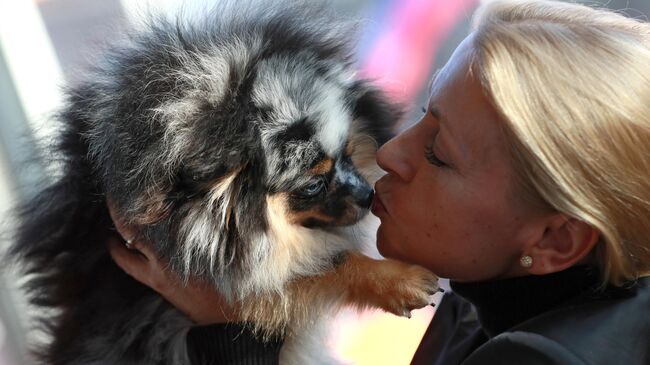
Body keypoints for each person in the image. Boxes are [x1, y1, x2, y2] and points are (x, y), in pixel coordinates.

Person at [108, 0, 650, 363]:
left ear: (556, 240)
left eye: (439, 154)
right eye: (424, 114)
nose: (391, 152)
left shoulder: (540, 359)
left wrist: (231, 330)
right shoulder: (496, 292)